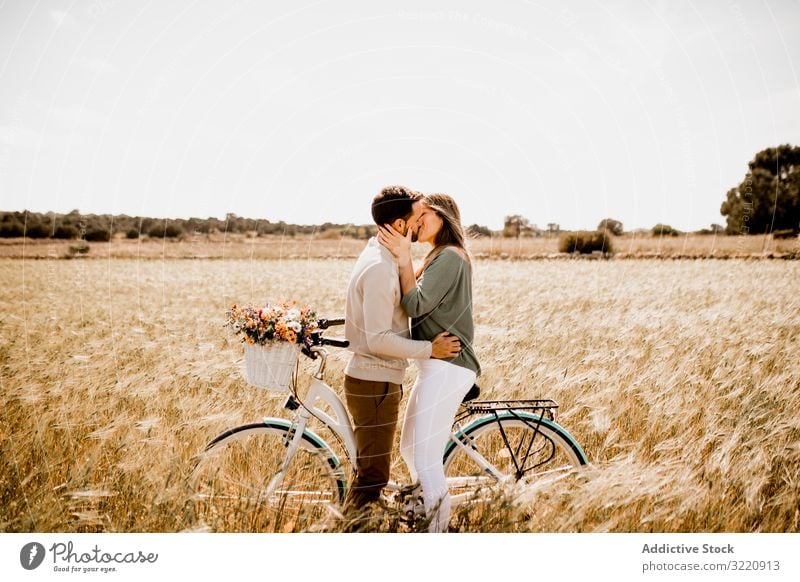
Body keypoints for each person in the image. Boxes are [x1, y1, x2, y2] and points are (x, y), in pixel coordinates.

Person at [343, 185, 462, 518]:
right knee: (374, 477)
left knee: (372, 468)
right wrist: (431, 349)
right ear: (398, 225)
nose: (419, 224)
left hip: (377, 379)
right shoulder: (381, 267)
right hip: (375, 382)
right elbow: (379, 338)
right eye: (416, 218)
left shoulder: (379, 255)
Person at [377, 193, 480, 533]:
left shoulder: (450, 257)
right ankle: (428, 520)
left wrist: (404, 257)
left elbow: (416, 305)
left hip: (448, 367)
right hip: (434, 365)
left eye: (422, 216)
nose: (416, 223)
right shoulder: (438, 255)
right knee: (409, 449)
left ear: (442, 215)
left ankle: (437, 536)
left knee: (426, 459)